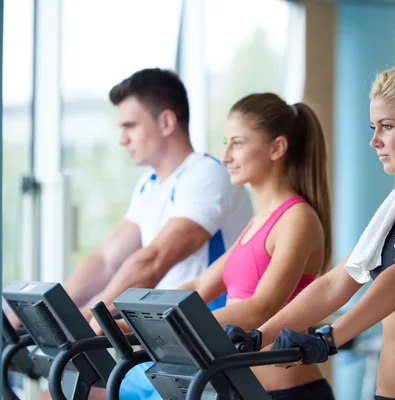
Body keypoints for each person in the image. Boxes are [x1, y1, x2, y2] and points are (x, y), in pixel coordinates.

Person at [226, 45, 395, 400]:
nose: (374, 140)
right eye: (374, 127)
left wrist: (329, 339)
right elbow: (334, 285)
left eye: (387, 127)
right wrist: (259, 335)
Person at [31, 68, 253, 400]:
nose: (122, 138)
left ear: (166, 122)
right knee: (52, 395)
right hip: (162, 351)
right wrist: (55, 313)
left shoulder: (207, 175)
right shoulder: (150, 185)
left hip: (205, 352)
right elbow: (107, 259)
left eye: (130, 126)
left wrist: (88, 315)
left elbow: (154, 261)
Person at [110, 92, 336, 400]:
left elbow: (262, 308)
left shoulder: (297, 219)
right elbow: (199, 286)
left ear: (277, 148)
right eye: (225, 143)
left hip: (289, 393)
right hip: (242, 390)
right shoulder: (257, 222)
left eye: (238, 143)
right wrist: (124, 318)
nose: (226, 156)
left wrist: (161, 328)